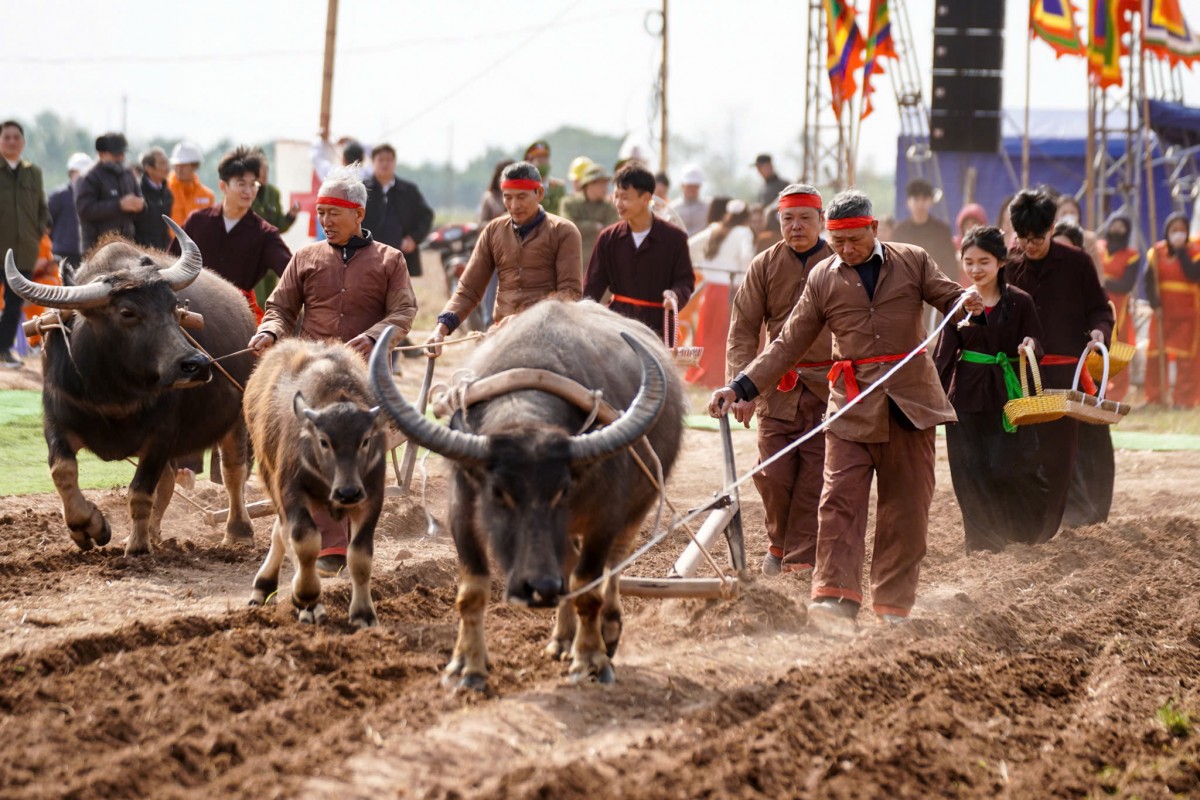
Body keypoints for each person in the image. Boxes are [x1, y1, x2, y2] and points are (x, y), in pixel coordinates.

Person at [708, 189, 984, 628]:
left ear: (873, 229)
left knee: (907, 508)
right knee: (837, 501)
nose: (846, 250)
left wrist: (969, 306)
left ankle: (893, 607)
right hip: (850, 408)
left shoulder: (912, 259)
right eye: (838, 242)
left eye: (854, 240)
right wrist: (741, 386)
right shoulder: (823, 277)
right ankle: (834, 599)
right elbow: (786, 344)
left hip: (910, 404)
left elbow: (951, 298)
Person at [250, 165, 418, 576]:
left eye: (334, 213)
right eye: (321, 213)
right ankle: (318, 537)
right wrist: (270, 332)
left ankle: (336, 544)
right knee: (301, 447)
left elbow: (404, 311)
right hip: (310, 376)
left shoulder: (389, 260)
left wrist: (376, 335)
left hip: (362, 379)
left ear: (359, 214)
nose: (325, 221)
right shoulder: (305, 257)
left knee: (350, 448)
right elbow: (279, 308)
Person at [725, 184, 834, 575]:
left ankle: (800, 557)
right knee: (772, 473)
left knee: (815, 475)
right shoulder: (764, 265)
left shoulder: (840, 262)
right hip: (776, 386)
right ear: (779, 221)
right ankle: (779, 542)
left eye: (805, 218)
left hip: (829, 387)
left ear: (821, 220)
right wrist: (741, 388)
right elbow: (742, 332)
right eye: (788, 218)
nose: (796, 226)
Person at [933, 226, 1048, 553]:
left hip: (1006, 394)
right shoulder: (958, 303)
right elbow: (942, 355)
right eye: (968, 262)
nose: (975, 269)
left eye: (983, 261)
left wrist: (1030, 344)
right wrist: (930, 401)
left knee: (1006, 465)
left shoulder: (1021, 302)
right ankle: (982, 542)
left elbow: (1038, 341)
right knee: (969, 469)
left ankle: (1018, 532)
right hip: (966, 395)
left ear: (1000, 262)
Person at [1006, 188, 1113, 534]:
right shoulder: (1008, 265)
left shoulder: (1077, 263)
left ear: (1052, 228)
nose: (1030, 245)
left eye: (1037, 237)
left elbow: (1099, 309)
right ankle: (1023, 527)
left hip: (1065, 376)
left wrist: (1098, 332)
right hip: (1020, 376)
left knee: (1058, 457)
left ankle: (1050, 530)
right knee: (1021, 454)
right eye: (1023, 238)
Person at [426, 161, 582, 353]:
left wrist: (523, 319)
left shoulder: (563, 231)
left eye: (521, 197)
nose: (514, 205)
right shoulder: (493, 230)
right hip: (501, 334)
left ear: (539, 193)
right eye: (507, 197)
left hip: (550, 335)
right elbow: (468, 289)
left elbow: (570, 294)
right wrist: (441, 329)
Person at [170, 146, 291, 324]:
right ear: (223, 186)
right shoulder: (197, 222)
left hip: (237, 322)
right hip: (192, 316)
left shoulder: (265, 234)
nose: (249, 191)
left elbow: (291, 272)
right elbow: (170, 260)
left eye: (253, 184)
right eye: (241, 184)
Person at [584, 162, 695, 333]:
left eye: (625, 197)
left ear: (645, 199)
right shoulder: (609, 238)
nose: (619, 203)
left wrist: (675, 295)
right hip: (617, 326)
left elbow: (685, 281)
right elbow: (592, 287)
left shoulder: (675, 239)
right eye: (616, 196)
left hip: (658, 327)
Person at [685, 199, 754, 388]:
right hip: (731, 289)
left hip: (711, 289)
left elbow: (689, 246)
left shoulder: (713, 229)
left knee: (707, 333)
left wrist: (706, 268)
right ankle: (718, 377)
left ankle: (702, 374)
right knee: (725, 334)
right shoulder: (744, 232)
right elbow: (747, 257)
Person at [0, 120, 50, 368]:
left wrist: (35, 234)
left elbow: (42, 209)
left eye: (15, 137)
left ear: (23, 142)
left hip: (23, 253)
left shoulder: (33, 172)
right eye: (6, 137)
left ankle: (4, 350)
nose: (11, 141)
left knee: (13, 304)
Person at [1145, 212, 1200, 408]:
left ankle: (1184, 400)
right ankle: (1155, 398)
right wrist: (1155, 305)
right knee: (1155, 355)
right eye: (1174, 230)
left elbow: (1194, 275)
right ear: (1167, 231)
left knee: (1186, 359)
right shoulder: (1156, 252)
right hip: (1163, 313)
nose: (1178, 233)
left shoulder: (1196, 251)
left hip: (1188, 314)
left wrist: (1181, 251)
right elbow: (1149, 282)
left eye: (1182, 230)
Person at [363, 143, 434, 277]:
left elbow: (426, 216)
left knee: (398, 295)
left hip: (401, 256)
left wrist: (414, 239)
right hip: (368, 256)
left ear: (394, 162)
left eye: (389, 160)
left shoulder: (408, 190)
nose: (385, 164)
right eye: (381, 160)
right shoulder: (362, 190)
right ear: (373, 162)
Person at [1096, 215, 1140, 401]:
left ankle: (1117, 392)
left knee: (1119, 348)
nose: (1117, 229)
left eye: (1122, 226)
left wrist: (1102, 282)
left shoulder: (1131, 255)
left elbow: (1126, 284)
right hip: (1097, 303)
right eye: (1114, 224)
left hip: (1119, 308)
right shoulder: (1097, 248)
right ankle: (1097, 389)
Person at [76, 132, 143, 252]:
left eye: (122, 153)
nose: (121, 157)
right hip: (97, 250)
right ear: (101, 154)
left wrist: (140, 206)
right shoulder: (89, 177)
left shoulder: (128, 174)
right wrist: (119, 205)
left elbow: (140, 202)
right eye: (116, 154)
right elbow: (84, 209)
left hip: (126, 247)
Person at [890, 178, 959, 283]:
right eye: (916, 199)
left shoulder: (942, 230)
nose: (920, 203)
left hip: (936, 287)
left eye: (924, 199)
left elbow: (950, 265)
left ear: (931, 201)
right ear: (908, 202)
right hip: (907, 287)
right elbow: (894, 264)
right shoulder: (899, 231)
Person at [477, 159, 514, 328]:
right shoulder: (490, 197)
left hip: (515, 253)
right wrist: (500, 221)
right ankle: (488, 324)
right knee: (491, 291)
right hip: (494, 252)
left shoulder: (518, 195)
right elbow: (481, 224)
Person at [560, 163, 618, 267]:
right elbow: (567, 228)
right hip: (574, 266)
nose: (606, 188)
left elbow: (612, 232)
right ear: (590, 184)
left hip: (601, 266)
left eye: (606, 184)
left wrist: (582, 226)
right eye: (602, 184)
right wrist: (594, 227)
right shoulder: (569, 203)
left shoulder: (610, 207)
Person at [47, 152, 92, 272]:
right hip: (61, 255)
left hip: (86, 255)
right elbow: (46, 225)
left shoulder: (93, 198)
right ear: (71, 174)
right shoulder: (58, 196)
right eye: (79, 173)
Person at [133, 147, 174, 250]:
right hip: (141, 253)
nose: (167, 167)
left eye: (167, 162)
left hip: (162, 252)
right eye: (162, 163)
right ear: (148, 168)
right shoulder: (136, 191)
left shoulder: (167, 194)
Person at [167, 141, 215, 226]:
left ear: (195, 166)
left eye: (183, 165)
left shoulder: (207, 195)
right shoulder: (165, 190)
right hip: (170, 240)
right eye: (176, 165)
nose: (179, 169)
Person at [251, 151, 300, 233]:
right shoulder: (242, 192)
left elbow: (279, 227)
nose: (265, 172)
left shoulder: (273, 193)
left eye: (266, 168)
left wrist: (290, 216)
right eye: (260, 168)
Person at [524, 140, 566, 214]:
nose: (543, 161)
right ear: (529, 162)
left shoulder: (558, 187)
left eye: (545, 158)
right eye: (539, 159)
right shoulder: (523, 187)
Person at [671, 164, 709, 235]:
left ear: (699, 186)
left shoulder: (707, 208)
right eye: (689, 186)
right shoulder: (673, 209)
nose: (692, 189)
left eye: (694, 186)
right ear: (682, 186)